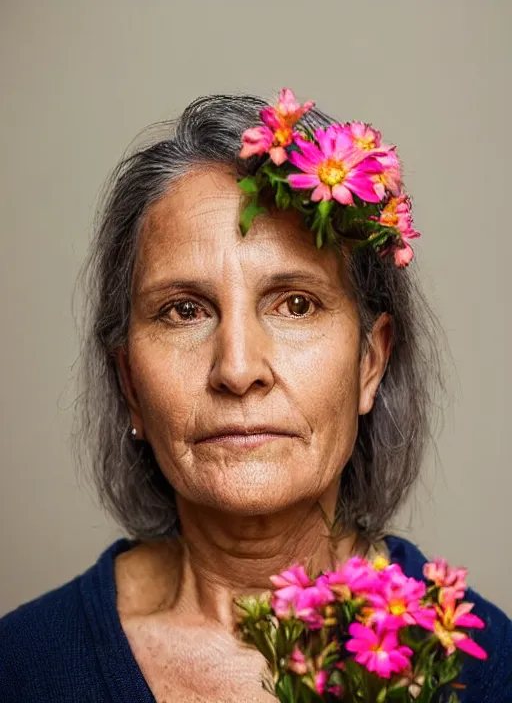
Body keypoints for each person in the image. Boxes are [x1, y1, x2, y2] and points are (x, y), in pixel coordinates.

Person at [0, 89, 510, 702]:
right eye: (183, 311)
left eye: (296, 304)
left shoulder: (483, 673)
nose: (238, 370)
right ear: (130, 383)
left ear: (369, 363)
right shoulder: (22, 669)